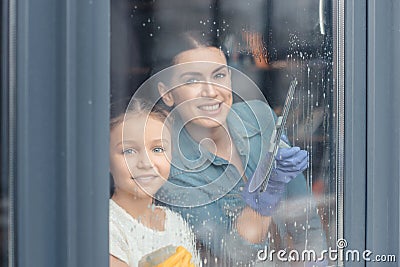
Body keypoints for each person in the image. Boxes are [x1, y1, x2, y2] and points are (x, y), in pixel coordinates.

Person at [147, 31, 327, 266]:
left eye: (219, 75)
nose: (211, 92)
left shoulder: (261, 118)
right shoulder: (170, 167)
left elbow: (307, 226)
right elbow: (233, 256)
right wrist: (264, 196)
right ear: (167, 93)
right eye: (192, 80)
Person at [108, 98, 201, 267]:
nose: (146, 163)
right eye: (128, 151)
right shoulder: (107, 226)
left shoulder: (175, 223)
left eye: (158, 149)